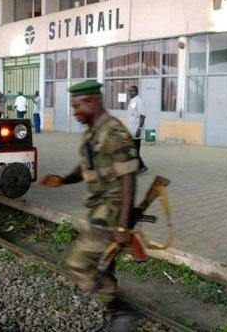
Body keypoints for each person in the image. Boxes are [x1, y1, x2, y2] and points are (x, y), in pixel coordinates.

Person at [40, 80, 142, 331]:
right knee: (103, 265)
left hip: (111, 210)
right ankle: (114, 315)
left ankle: (120, 311)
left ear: (94, 102)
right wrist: (63, 179)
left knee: (79, 263)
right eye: (73, 106)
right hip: (100, 208)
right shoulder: (92, 130)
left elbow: (128, 178)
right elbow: (86, 166)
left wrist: (122, 227)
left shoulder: (113, 133)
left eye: (78, 106)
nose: (74, 112)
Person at [127, 85, 147, 173]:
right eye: (129, 91)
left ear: (137, 92)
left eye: (132, 91)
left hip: (136, 129)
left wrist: (139, 129)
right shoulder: (132, 101)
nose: (130, 93)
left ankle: (141, 167)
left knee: (135, 149)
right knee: (133, 149)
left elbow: (143, 116)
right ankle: (140, 166)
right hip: (131, 129)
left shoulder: (139, 101)